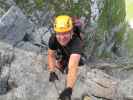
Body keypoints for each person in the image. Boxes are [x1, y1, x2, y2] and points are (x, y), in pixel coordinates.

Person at [48, 15, 84, 100]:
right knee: (59, 64)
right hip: (64, 53)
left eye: (66, 33)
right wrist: (52, 71)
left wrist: (69, 89)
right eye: (59, 33)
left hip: (74, 54)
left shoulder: (76, 43)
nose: (62, 37)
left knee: (74, 67)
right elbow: (51, 55)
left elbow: (73, 67)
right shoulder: (53, 38)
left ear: (71, 32)